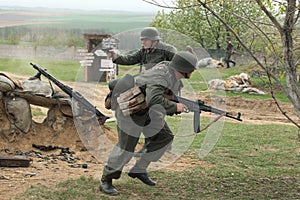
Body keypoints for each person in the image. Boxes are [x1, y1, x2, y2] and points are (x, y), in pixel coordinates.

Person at [99, 51, 198, 195]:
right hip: (130, 110)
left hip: (146, 110)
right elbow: (153, 99)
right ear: (186, 70)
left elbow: (161, 95)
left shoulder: (170, 71)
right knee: (126, 148)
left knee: (164, 137)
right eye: (191, 70)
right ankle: (106, 180)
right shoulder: (161, 76)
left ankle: (139, 169)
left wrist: (169, 107)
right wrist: (175, 107)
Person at [107, 27, 177, 72]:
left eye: (146, 40)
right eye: (142, 40)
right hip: (150, 80)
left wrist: (163, 66)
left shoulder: (168, 50)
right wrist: (115, 56)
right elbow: (130, 59)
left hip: (166, 83)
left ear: (155, 41)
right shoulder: (144, 51)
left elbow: (178, 64)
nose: (143, 42)